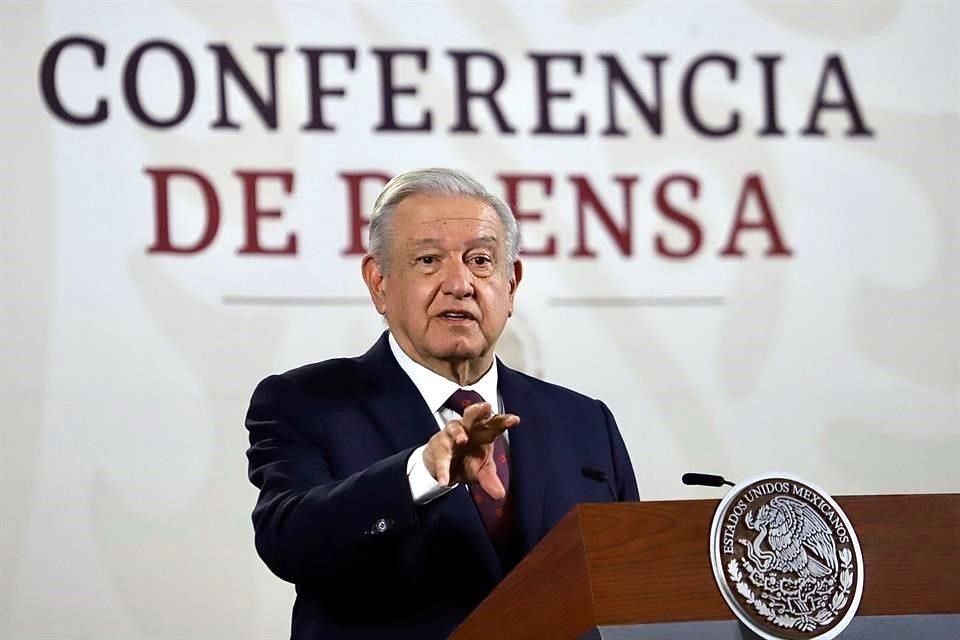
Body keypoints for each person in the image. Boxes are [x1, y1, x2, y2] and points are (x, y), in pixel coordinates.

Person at [245, 168, 639, 639]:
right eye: (429, 260)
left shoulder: (583, 421)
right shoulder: (306, 401)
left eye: (480, 260)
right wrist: (420, 474)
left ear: (511, 284)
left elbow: (626, 589)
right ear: (379, 283)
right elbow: (289, 541)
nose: (460, 283)